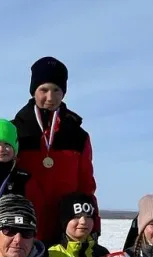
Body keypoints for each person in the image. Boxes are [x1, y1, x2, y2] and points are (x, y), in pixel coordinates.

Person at [12, 56, 100, 239]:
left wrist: (94, 224)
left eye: (56, 90)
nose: (50, 97)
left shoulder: (78, 135)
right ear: (33, 90)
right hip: (22, 226)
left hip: (65, 227)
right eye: (43, 90)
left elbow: (86, 186)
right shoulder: (14, 130)